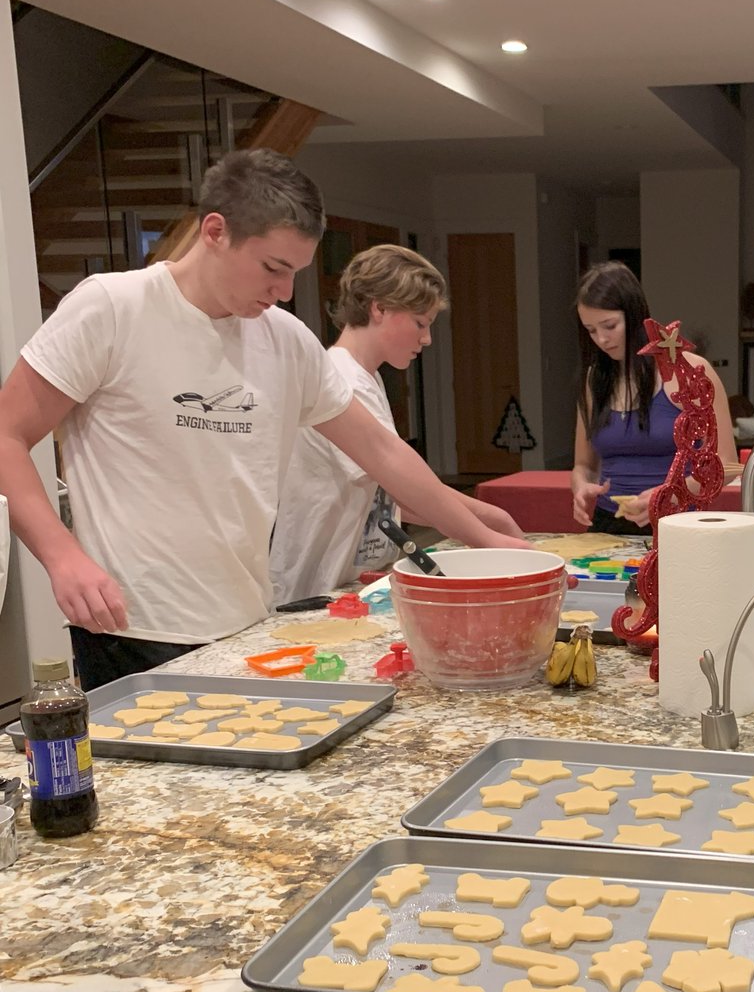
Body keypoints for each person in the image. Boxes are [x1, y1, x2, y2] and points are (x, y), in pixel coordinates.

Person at [0, 148, 527, 691]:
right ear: (215, 232)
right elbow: (7, 435)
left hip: (245, 621)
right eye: (273, 268)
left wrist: (485, 540)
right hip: (130, 624)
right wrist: (61, 556)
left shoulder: (287, 340)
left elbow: (382, 452)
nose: (285, 292)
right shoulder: (112, 307)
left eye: (295, 272)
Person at [270, 244, 448, 605]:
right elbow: (406, 489)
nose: (426, 338)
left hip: (348, 581)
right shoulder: (343, 379)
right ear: (379, 308)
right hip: (313, 588)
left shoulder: (367, 377)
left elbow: (394, 500)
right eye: (420, 323)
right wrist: (491, 526)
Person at [570, 262, 739, 534]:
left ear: (635, 316)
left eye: (610, 326)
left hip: (677, 524)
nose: (601, 339)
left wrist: (670, 494)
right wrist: (580, 486)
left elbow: (726, 465)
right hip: (608, 523)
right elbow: (584, 465)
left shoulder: (690, 371)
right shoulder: (594, 380)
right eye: (590, 330)